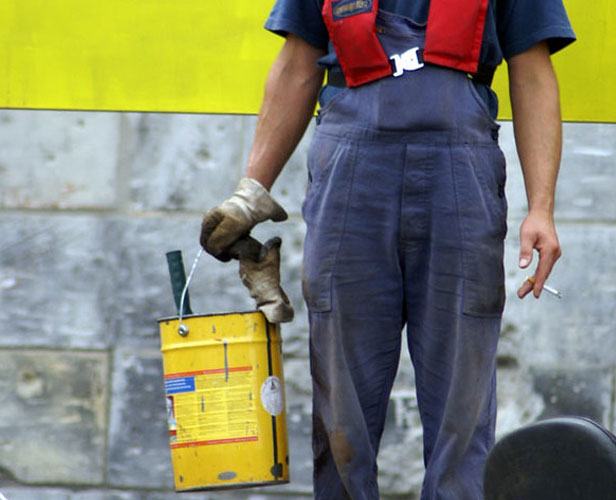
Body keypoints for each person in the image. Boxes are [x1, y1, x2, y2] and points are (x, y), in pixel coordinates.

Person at [200, 0, 575, 498]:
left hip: (459, 179)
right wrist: (251, 192)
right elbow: (296, 65)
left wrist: (541, 208)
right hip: (352, 176)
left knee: (462, 405)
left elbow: (533, 72)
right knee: (341, 404)